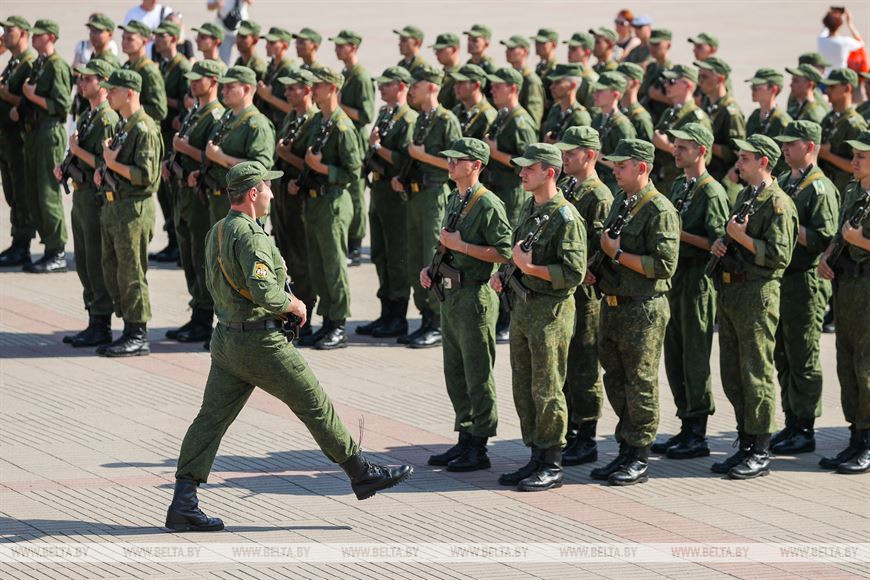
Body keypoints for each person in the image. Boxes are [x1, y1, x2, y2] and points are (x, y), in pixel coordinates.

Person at [165, 160, 413, 532]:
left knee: (210, 420)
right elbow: (264, 290)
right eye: (266, 187)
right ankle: (360, 472)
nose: (270, 193)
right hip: (260, 343)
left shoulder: (218, 230)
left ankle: (183, 502)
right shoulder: (250, 236)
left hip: (227, 340)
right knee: (315, 404)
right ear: (252, 194)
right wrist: (293, 304)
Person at [490, 143, 586, 491]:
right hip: (524, 309)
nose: (521, 173)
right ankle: (535, 454)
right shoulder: (532, 209)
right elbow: (518, 253)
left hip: (550, 312)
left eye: (528, 168)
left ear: (549, 172)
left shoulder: (566, 217)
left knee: (547, 389)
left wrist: (530, 267)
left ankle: (552, 461)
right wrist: (506, 273)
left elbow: (574, 272)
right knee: (524, 387)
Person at [589, 138, 679, 486]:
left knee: (640, 383)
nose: (614, 170)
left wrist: (617, 255)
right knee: (615, 379)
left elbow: (665, 265)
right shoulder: (621, 202)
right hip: (613, 304)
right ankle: (626, 446)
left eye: (621, 165)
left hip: (643, 309)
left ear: (642, 168)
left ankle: (639, 454)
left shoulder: (660, 210)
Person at [709, 134, 798, 479]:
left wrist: (742, 238)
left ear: (763, 161)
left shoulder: (778, 203)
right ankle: (745, 442)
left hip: (758, 294)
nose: (739, 164)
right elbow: (734, 234)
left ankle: (761, 449)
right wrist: (723, 241)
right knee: (733, 373)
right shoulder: (748, 195)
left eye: (745, 158)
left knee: (756, 372)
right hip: (733, 293)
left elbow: (779, 257)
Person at [422, 137, 511, 472]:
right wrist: (431, 268)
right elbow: (447, 243)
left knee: (477, 374)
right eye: (449, 159)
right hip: (452, 295)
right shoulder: (454, 198)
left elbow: (505, 251)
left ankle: (480, 444)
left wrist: (465, 247)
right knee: (455, 372)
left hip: (475, 296)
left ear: (476, 165)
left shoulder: (489, 205)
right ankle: (465, 434)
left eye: (458, 160)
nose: (450, 164)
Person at [654, 123, 729, 460]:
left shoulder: (711, 192)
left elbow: (717, 243)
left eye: (683, 147)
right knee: (675, 354)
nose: (676, 150)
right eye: (676, 145)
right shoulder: (679, 185)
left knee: (695, 355)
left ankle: (697, 431)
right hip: (676, 278)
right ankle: (684, 423)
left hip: (698, 279)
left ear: (701, 151)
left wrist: (678, 235)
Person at [771, 121, 839, 455]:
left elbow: (826, 239)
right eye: (783, 144)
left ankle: (806, 426)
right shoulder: (786, 180)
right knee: (782, 352)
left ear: (809, 146)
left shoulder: (819, 188)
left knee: (804, 354)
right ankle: (791, 419)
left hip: (805, 280)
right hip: (783, 278)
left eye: (791, 144)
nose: (785, 149)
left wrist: (791, 228)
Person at [289, 66, 361, 350]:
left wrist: (323, 168)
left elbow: (353, 171)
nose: (313, 89)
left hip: (333, 202)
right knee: (318, 266)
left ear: (331, 88)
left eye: (318, 85)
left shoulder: (343, 126)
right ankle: (327, 320)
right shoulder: (320, 121)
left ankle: (339, 324)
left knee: (333, 266)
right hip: (315, 200)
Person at [391, 64, 462, 348]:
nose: (412, 91)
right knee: (415, 258)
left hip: (435, 197)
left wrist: (424, 156)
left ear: (432, 86)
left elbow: (458, 165)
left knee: (433, 256)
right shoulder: (423, 119)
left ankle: (437, 321)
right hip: (417, 196)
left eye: (416, 86)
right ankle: (424, 317)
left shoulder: (447, 120)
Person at [93, 68, 163, 356]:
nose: (108, 93)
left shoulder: (144, 128)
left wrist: (110, 162)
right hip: (115, 206)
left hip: (134, 209)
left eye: (114, 90)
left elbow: (146, 175)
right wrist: (103, 171)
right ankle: (126, 328)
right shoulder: (125, 125)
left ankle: (138, 333)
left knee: (132, 271)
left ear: (130, 93)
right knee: (113, 270)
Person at [554, 126, 612, 466]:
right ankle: (570, 427)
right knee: (566, 360)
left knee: (584, 362)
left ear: (589, 156)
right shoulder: (565, 187)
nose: (564, 158)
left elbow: (601, 244)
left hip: (587, 292)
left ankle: (586, 434)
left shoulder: (599, 195)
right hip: (566, 289)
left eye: (571, 153)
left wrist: (588, 269)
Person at [55, 59, 119, 348]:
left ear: (103, 81)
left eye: (87, 79)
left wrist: (78, 150)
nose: (80, 83)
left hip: (95, 200)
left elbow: (106, 163)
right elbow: (80, 157)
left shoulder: (107, 119)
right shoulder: (88, 115)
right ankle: (93, 318)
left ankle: (102, 323)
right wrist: (66, 165)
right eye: (79, 79)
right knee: (82, 261)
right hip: (80, 196)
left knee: (95, 261)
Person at [817, 129, 870, 475]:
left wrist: (860, 241)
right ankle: (856, 435)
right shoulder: (852, 190)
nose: (853, 162)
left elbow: (854, 236)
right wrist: (828, 254)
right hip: (847, 288)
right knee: (847, 364)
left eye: (861, 157)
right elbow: (840, 233)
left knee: (867, 368)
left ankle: (867, 442)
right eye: (853, 156)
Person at [164, 59, 226, 344]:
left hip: (200, 197)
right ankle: (197, 311)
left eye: (199, 78)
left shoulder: (216, 116)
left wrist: (184, 148)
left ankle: (205, 316)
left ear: (214, 81)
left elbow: (212, 155)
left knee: (202, 258)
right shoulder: (196, 112)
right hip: (183, 194)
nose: (193, 83)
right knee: (188, 255)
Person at [356, 66, 417, 338]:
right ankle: (385, 312)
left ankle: (398, 316)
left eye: (387, 84)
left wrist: (379, 148)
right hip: (379, 191)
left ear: (402, 86)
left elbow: (405, 159)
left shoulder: (408, 119)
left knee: (397, 256)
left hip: (395, 195)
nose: (381, 89)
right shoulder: (385, 114)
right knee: (380, 253)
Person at [482, 67, 537, 343]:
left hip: (514, 194)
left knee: (509, 253)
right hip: (500, 190)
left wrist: (496, 153)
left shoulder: (521, 121)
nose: (492, 90)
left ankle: (507, 316)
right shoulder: (502, 116)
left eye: (498, 86)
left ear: (513, 88)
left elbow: (529, 163)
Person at [17, 19, 72, 273]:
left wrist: (32, 96)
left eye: (38, 35)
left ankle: (57, 250)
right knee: (34, 193)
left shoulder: (57, 66)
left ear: (51, 37)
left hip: (49, 133)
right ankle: (49, 246)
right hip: (35, 133)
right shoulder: (41, 63)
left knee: (48, 194)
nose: (33, 39)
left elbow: (62, 105)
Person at [272, 68, 319, 339]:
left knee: (303, 260)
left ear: (307, 90)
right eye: (286, 89)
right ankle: (293, 313)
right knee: (287, 257)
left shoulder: (313, 121)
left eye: (293, 88)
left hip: (300, 199)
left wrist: (286, 156)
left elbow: (311, 164)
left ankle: (307, 315)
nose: (287, 93)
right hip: (283, 198)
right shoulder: (292, 117)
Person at [332, 30, 374, 267]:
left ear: (353, 47)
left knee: (356, 193)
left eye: (342, 45)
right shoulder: (346, 74)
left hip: (355, 139)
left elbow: (365, 114)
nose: (337, 49)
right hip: (344, 139)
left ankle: (356, 245)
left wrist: (339, 106)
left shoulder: (361, 77)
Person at [151, 19, 192, 265]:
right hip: (164, 135)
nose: (157, 38)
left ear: (174, 39)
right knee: (165, 192)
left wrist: (165, 101)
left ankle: (179, 241)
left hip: (174, 134)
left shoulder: (182, 66)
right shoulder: (164, 65)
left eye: (162, 35)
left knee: (173, 190)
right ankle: (173, 241)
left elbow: (190, 102)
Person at [0, 16, 37, 268]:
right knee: (12, 192)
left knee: (22, 192)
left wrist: (6, 94)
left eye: (8, 30)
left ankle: (23, 244)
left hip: (19, 139)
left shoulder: (29, 63)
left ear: (23, 33)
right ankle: (17, 240)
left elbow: (30, 103)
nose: (4, 34)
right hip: (6, 139)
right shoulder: (13, 62)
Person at [651, 65, 711, 195]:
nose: (666, 85)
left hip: (682, 185)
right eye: (666, 81)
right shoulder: (669, 112)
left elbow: (705, 158)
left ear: (688, 86)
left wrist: (668, 146)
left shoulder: (697, 118)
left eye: (672, 82)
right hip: (663, 181)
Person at [695, 58, 746, 203]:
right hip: (707, 177)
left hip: (722, 182)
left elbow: (737, 154)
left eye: (705, 77)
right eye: (699, 76)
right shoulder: (706, 103)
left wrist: (704, 146)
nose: (700, 81)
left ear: (721, 79)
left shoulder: (731, 112)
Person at [819, 68, 868, 192]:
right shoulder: (830, 118)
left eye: (832, 87)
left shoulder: (855, 124)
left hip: (844, 191)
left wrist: (827, 155)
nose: (827, 90)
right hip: (827, 187)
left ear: (847, 88)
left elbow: (861, 166)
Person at [589, 71, 636, 192]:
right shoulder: (597, 119)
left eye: (600, 91)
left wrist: (598, 157)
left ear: (615, 94)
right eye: (595, 91)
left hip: (614, 186)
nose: (595, 95)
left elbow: (627, 163)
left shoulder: (623, 126)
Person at [119, 21, 167, 124]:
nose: (124, 42)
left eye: (130, 39)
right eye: (123, 38)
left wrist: (130, 106)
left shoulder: (149, 71)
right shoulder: (127, 66)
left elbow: (159, 110)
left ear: (144, 42)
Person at [540, 63, 591, 143]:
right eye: (552, 83)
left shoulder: (580, 117)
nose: (551, 87)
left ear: (572, 85)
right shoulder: (555, 109)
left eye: (557, 82)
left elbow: (581, 150)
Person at [501, 35, 544, 130]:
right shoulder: (512, 76)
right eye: (507, 48)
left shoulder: (531, 80)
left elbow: (534, 118)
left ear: (525, 51)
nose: (507, 51)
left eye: (512, 49)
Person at [255, 27, 294, 127]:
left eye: (272, 43)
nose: (267, 46)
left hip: (282, 125)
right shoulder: (272, 67)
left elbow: (294, 109)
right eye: (267, 42)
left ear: (284, 45)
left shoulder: (290, 71)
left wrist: (269, 97)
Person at [450, 64, 497, 139]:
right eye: (456, 82)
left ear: (476, 85)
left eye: (461, 82)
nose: (456, 86)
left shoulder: (487, 115)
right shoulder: (457, 110)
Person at [638, 29, 672, 123]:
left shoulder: (671, 71)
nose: (652, 48)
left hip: (661, 118)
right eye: (651, 44)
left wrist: (660, 96)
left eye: (657, 44)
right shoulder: (650, 67)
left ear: (668, 45)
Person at [617, 62, 654, 142]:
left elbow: (645, 152)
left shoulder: (641, 118)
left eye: (622, 78)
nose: (617, 82)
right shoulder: (617, 109)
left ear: (634, 83)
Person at [206, 0, 253, 64]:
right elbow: (209, 6)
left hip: (241, 30)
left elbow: (250, 2)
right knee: (223, 61)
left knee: (245, 60)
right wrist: (216, 4)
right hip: (223, 30)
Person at [817, 7, 864, 71]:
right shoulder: (845, 42)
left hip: (825, 77)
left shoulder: (821, 40)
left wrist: (829, 16)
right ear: (841, 24)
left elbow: (826, 28)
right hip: (840, 76)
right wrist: (850, 23)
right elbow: (860, 42)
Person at [563, 32, 598, 111]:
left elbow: (593, 111)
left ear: (587, 52)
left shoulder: (591, 80)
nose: (569, 52)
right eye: (569, 48)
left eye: (573, 49)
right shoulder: (569, 74)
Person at [463, 24, 496, 101]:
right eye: (469, 39)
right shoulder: (469, 63)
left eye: (475, 41)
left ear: (486, 44)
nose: (470, 43)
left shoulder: (490, 68)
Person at [532, 28, 559, 117]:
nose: (537, 46)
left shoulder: (556, 69)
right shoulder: (540, 66)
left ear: (554, 45)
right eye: (536, 42)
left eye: (542, 43)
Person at [431, 33, 460, 111]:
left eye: (440, 50)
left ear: (454, 49)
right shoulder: (440, 74)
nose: (437, 54)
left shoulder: (460, 76)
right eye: (436, 50)